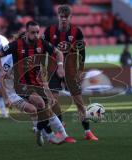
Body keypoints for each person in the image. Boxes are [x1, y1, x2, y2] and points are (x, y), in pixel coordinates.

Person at [0, 21, 76, 146]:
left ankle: (46, 133)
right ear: (26, 33)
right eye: (33, 32)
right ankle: (52, 134)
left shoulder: (42, 44)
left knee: (45, 110)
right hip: (22, 85)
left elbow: (57, 53)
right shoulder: (16, 46)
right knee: (40, 105)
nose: (36, 35)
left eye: (38, 32)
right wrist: (1, 72)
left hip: (37, 84)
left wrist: (59, 66)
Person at [43, 5, 98, 141]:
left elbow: (82, 52)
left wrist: (80, 70)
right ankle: (61, 129)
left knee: (79, 102)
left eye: (65, 17)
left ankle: (87, 132)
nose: (63, 19)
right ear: (58, 17)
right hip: (53, 70)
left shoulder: (76, 32)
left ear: (70, 17)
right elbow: (43, 50)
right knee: (53, 101)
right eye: (61, 17)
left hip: (71, 70)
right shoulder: (49, 31)